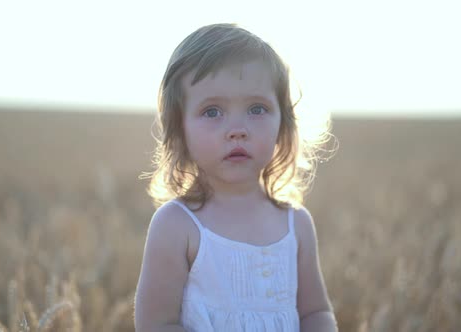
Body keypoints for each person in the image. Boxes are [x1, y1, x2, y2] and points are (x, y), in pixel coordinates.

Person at [134, 23, 338, 331]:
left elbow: (315, 313)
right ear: (180, 130)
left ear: (283, 125)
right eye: (213, 111)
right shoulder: (177, 225)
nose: (238, 129)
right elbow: (156, 324)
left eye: (257, 108)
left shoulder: (296, 224)